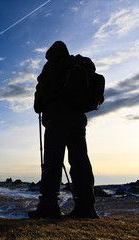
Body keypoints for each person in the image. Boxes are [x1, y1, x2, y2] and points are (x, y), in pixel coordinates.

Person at [29, 41, 99, 219]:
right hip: (78, 122)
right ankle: (86, 207)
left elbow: (40, 100)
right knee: (80, 162)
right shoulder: (78, 66)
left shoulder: (52, 66)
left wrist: (40, 103)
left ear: (51, 54)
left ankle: (49, 205)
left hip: (57, 121)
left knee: (53, 162)